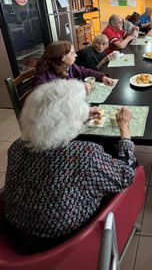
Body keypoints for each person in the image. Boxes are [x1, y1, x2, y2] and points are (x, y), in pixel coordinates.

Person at [3, 79, 137, 254]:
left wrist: (81, 115)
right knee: (124, 161)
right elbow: (125, 175)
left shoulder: (16, 146)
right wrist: (125, 130)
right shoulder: (84, 154)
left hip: (17, 236)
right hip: (63, 244)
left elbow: (48, 119)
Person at [33, 41, 115, 87]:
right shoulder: (43, 80)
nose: (76, 55)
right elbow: (53, 103)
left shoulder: (68, 66)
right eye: (72, 53)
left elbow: (84, 72)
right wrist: (79, 90)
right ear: (62, 57)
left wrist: (102, 77)